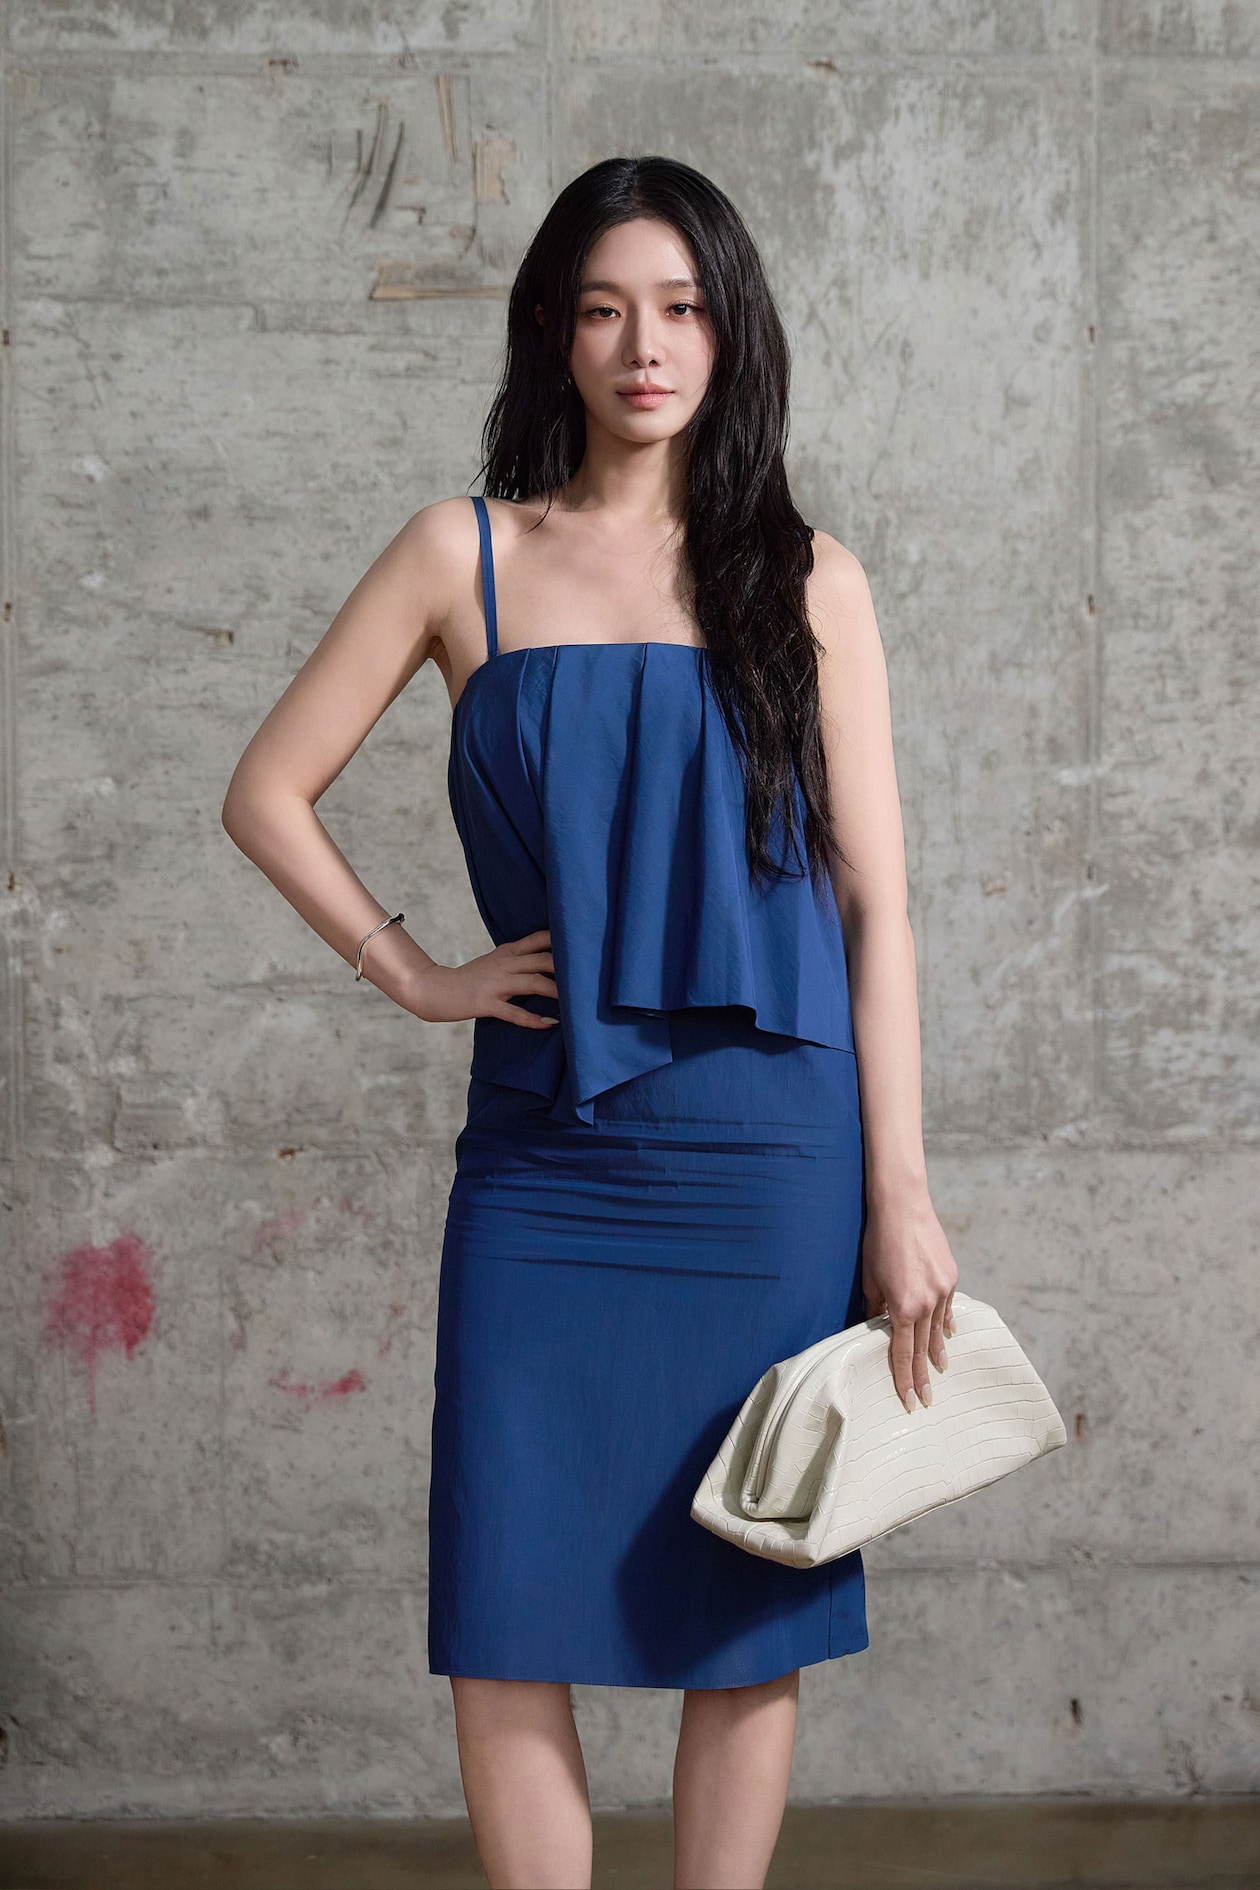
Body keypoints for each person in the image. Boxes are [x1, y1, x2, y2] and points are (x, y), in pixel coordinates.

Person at [222, 154, 959, 1890]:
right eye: (609, 308)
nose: (647, 346)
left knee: (748, 1606)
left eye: (683, 308)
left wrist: (902, 1193)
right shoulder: (461, 555)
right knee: (505, 1610)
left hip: (769, 1157)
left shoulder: (810, 579)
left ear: (729, 331)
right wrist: (417, 971)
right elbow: (265, 791)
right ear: (554, 330)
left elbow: (875, 907)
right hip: (548, 1153)